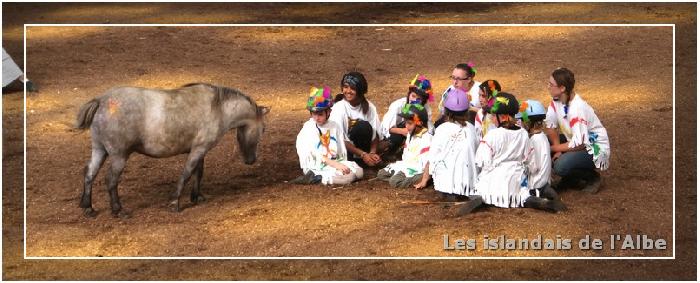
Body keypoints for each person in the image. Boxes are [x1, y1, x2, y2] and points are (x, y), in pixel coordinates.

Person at [457, 93, 566, 215]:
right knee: (522, 197)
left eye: (493, 115)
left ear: (503, 117)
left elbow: (482, 160)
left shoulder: (493, 135)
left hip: (495, 180)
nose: (492, 118)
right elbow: (531, 163)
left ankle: (479, 198)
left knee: (481, 190)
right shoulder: (523, 134)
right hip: (516, 181)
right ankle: (540, 202)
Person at [544, 68, 610, 193]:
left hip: (593, 148)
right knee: (542, 141)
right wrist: (557, 149)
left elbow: (579, 144)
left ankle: (592, 177)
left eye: (551, 84)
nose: (548, 87)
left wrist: (553, 149)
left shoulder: (577, 109)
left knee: (560, 166)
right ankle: (571, 179)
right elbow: (550, 126)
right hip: (575, 141)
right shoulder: (557, 100)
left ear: (562, 88)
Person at [292, 86, 364, 185]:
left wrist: (339, 163)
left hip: (335, 161)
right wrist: (336, 165)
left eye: (320, 114)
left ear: (328, 112)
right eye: (314, 114)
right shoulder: (308, 128)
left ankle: (335, 175)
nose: (317, 118)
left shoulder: (334, 126)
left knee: (359, 172)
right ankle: (315, 177)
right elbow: (315, 155)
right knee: (347, 179)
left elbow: (340, 150)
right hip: (317, 165)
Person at [427, 87, 479, 200]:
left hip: (445, 185)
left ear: (446, 111)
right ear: (466, 111)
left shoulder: (441, 129)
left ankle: (452, 193)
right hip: (470, 184)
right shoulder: (472, 129)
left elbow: (433, 156)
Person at [329, 71, 383, 167]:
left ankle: (366, 160)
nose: (348, 91)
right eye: (345, 87)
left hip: (364, 149)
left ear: (360, 90)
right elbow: (340, 139)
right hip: (345, 150)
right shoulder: (338, 108)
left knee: (364, 127)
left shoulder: (370, 107)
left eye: (353, 88)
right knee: (361, 126)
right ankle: (358, 160)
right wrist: (363, 154)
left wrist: (372, 153)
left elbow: (375, 135)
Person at [378, 74, 434, 159]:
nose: (414, 100)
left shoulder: (426, 109)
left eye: (419, 99)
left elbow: (428, 127)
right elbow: (385, 128)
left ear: (424, 101)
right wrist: (403, 131)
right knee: (395, 138)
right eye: (413, 96)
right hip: (398, 133)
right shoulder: (398, 105)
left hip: (417, 133)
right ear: (409, 94)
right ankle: (390, 153)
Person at [376, 104, 432, 188]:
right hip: (407, 164)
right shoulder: (410, 135)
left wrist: (424, 176)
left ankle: (423, 179)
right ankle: (401, 178)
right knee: (381, 174)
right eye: (406, 123)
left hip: (418, 168)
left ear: (420, 123)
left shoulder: (427, 139)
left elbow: (426, 163)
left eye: (410, 123)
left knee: (395, 181)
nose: (406, 126)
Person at [518, 99, 559, 200]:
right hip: (544, 182)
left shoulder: (533, 140)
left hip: (536, 186)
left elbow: (533, 168)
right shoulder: (542, 137)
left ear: (528, 123)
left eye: (522, 121)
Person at [435, 62, 481, 127]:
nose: (455, 82)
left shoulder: (480, 91)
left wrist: (470, 108)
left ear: (469, 79)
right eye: (453, 77)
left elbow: (490, 114)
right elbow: (442, 112)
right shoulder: (450, 90)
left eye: (459, 79)